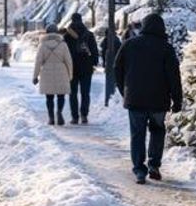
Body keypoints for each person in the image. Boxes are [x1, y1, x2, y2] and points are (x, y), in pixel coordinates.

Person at [113, 13, 182, 184]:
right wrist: (177, 99)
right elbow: (174, 76)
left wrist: (125, 90)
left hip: (135, 99)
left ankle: (139, 170)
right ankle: (154, 165)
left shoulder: (129, 45)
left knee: (137, 134)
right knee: (157, 131)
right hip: (159, 100)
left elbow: (117, 68)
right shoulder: (166, 48)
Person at [33, 23, 73, 125]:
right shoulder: (63, 45)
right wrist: (70, 74)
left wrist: (35, 76)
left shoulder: (42, 45)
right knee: (61, 95)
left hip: (46, 72)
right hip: (62, 72)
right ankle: (59, 113)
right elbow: (68, 61)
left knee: (49, 97)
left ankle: (51, 118)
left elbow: (38, 61)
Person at [63, 12, 99, 125]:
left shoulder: (67, 36)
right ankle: (84, 115)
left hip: (71, 68)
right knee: (85, 93)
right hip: (86, 68)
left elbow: (64, 52)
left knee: (72, 93)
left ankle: (75, 117)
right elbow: (94, 51)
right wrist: (94, 63)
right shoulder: (89, 34)